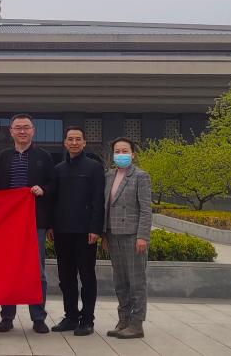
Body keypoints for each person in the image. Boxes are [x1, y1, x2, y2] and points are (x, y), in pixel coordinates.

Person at [0, 114, 55, 334]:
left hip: (35, 222)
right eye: (17, 128)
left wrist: (43, 190)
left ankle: (38, 317)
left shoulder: (44, 156)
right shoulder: (3, 157)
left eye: (26, 127)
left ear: (33, 131)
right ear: (11, 131)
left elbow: (54, 184)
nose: (22, 131)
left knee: (37, 271)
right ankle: (7, 316)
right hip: (8, 223)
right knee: (8, 269)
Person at [49, 125, 105, 336]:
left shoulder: (94, 167)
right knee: (66, 278)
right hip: (62, 231)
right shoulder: (58, 169)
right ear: (65, 142)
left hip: (85, 232)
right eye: (70, 139)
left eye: (77, 139)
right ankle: (71, 316)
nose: (74, 143)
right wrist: (51, 225)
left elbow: (98, 200)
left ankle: (87, 319)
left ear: (84, 142)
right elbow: (54, 200)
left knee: (87, 276)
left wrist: (95, 228)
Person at [102, 137, 152, 339]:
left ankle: (136, 324)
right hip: (113, 234)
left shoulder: (141, 176)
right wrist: (104, 234)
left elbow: (146, 209)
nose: (120, 155)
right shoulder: (109, 175)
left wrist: (142, 236)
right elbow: (106, 206)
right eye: (117, 151)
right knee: (120, 282)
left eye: (125, 151)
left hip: (133, 236)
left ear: (133, 154)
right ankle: (123, 320)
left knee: (136, 282)